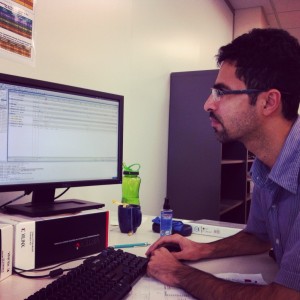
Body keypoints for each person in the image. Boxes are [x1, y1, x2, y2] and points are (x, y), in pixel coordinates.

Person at [146, 28, 300, 299]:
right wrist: (200, 249)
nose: (208, 104)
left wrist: (179, 273)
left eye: (221, 92)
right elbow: (259, 237)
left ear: (268, 102)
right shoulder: (266, 165)